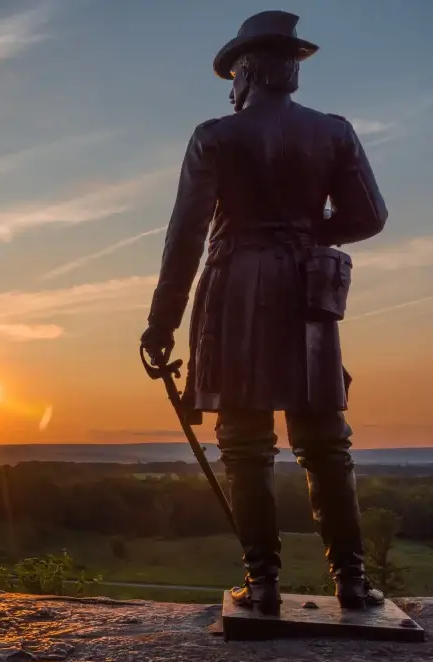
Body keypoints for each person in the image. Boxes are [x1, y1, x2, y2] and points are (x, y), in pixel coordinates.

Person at [139, 10, 388, 614]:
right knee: (326, 441)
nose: (231, 91)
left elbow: (186, 236)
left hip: (237, 289)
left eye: (233, 77)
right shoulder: (334, 131)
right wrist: (307, 234)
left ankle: (264, 584)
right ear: (288, 72)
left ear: (249, 72)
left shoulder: (216, 136)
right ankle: (352, 585)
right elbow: (370, 216)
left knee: (246, 443)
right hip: (308, 291)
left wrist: (162, 321)